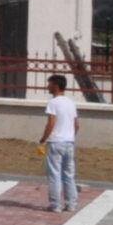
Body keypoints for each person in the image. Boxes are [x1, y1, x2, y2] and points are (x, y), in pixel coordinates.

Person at [40, 73, 81, 213]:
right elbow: (77, 125)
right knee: (69, 174)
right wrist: (70, 136)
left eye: (50, 84)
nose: (48, 87)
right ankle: (71, 204)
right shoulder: (71, 103)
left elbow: (51, 123)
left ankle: (55, 204)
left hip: (56, 142)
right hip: (69, 142)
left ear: (56, 85)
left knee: (54, 174)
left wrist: (44, 138)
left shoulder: (53, 103)